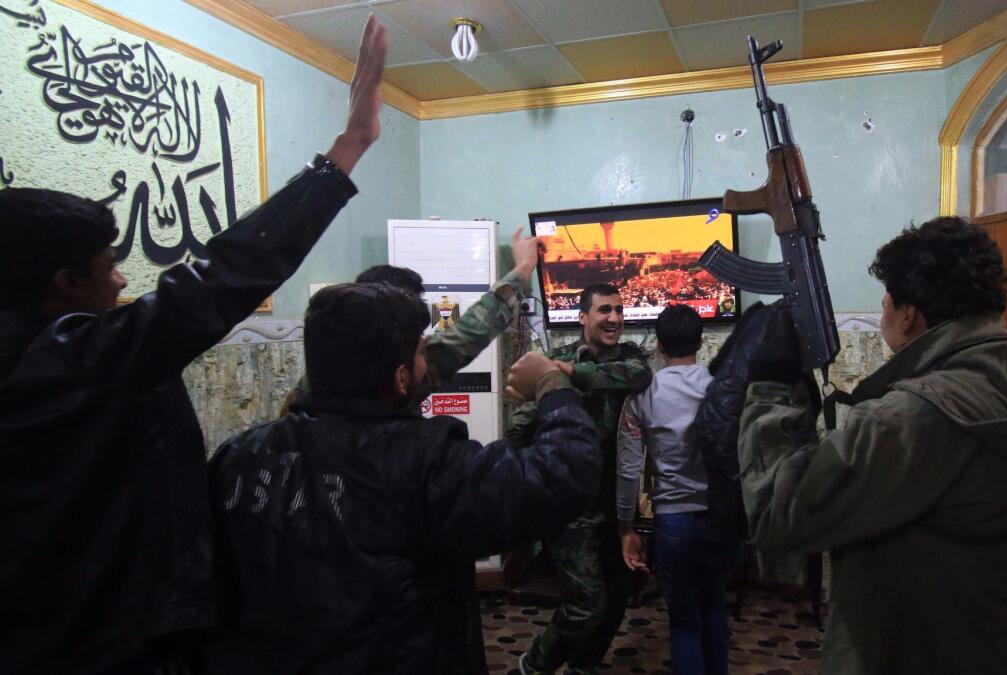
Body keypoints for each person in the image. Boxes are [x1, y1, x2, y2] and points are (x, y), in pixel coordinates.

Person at [0, 15, 390, 674]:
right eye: (108, 266)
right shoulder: (66, 360)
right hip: (108, 639)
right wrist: (345, 151)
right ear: (64, 282)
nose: (124, 279)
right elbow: (216, 283)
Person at [737, 216, 1007, 675]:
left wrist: (770, 390)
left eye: (885, 306)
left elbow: (776, 514)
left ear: (909, 315)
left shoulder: (914, 418)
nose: (883, 318)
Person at [206, 283, 601, 673]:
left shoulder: (236, 457)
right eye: (420, 353)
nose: (427, 364)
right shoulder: (425, 462)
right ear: (400, 378)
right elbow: (566, 472)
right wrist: (551, 383)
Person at [509, 282, 651, 675]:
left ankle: (584, 666)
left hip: (616, 505)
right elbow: (518, 430)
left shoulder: (630, 361)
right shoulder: (551, 363)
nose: (614, 319)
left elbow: (637, 376)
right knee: (586, 603)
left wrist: (573, 374)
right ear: (582, 317)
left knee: (620, 593)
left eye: (619, 311)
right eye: (604, 310)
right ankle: (533, 666)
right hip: (570, 508)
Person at [280, 227, 539, 414]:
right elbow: (468, 333)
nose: (423, 359)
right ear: (400, 378)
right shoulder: (419, 455)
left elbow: (467, 333)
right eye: (417, 344)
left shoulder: (295, 414)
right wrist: (523, 268)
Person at [615, 304, 740, 675]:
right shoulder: (722, 388)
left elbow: (628, 469)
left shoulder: (642, 395)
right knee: (714, 608)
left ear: (658, 345)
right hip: (722, 519)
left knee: (684, 622)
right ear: (701, 343)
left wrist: (626, 527)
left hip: (674, 523)